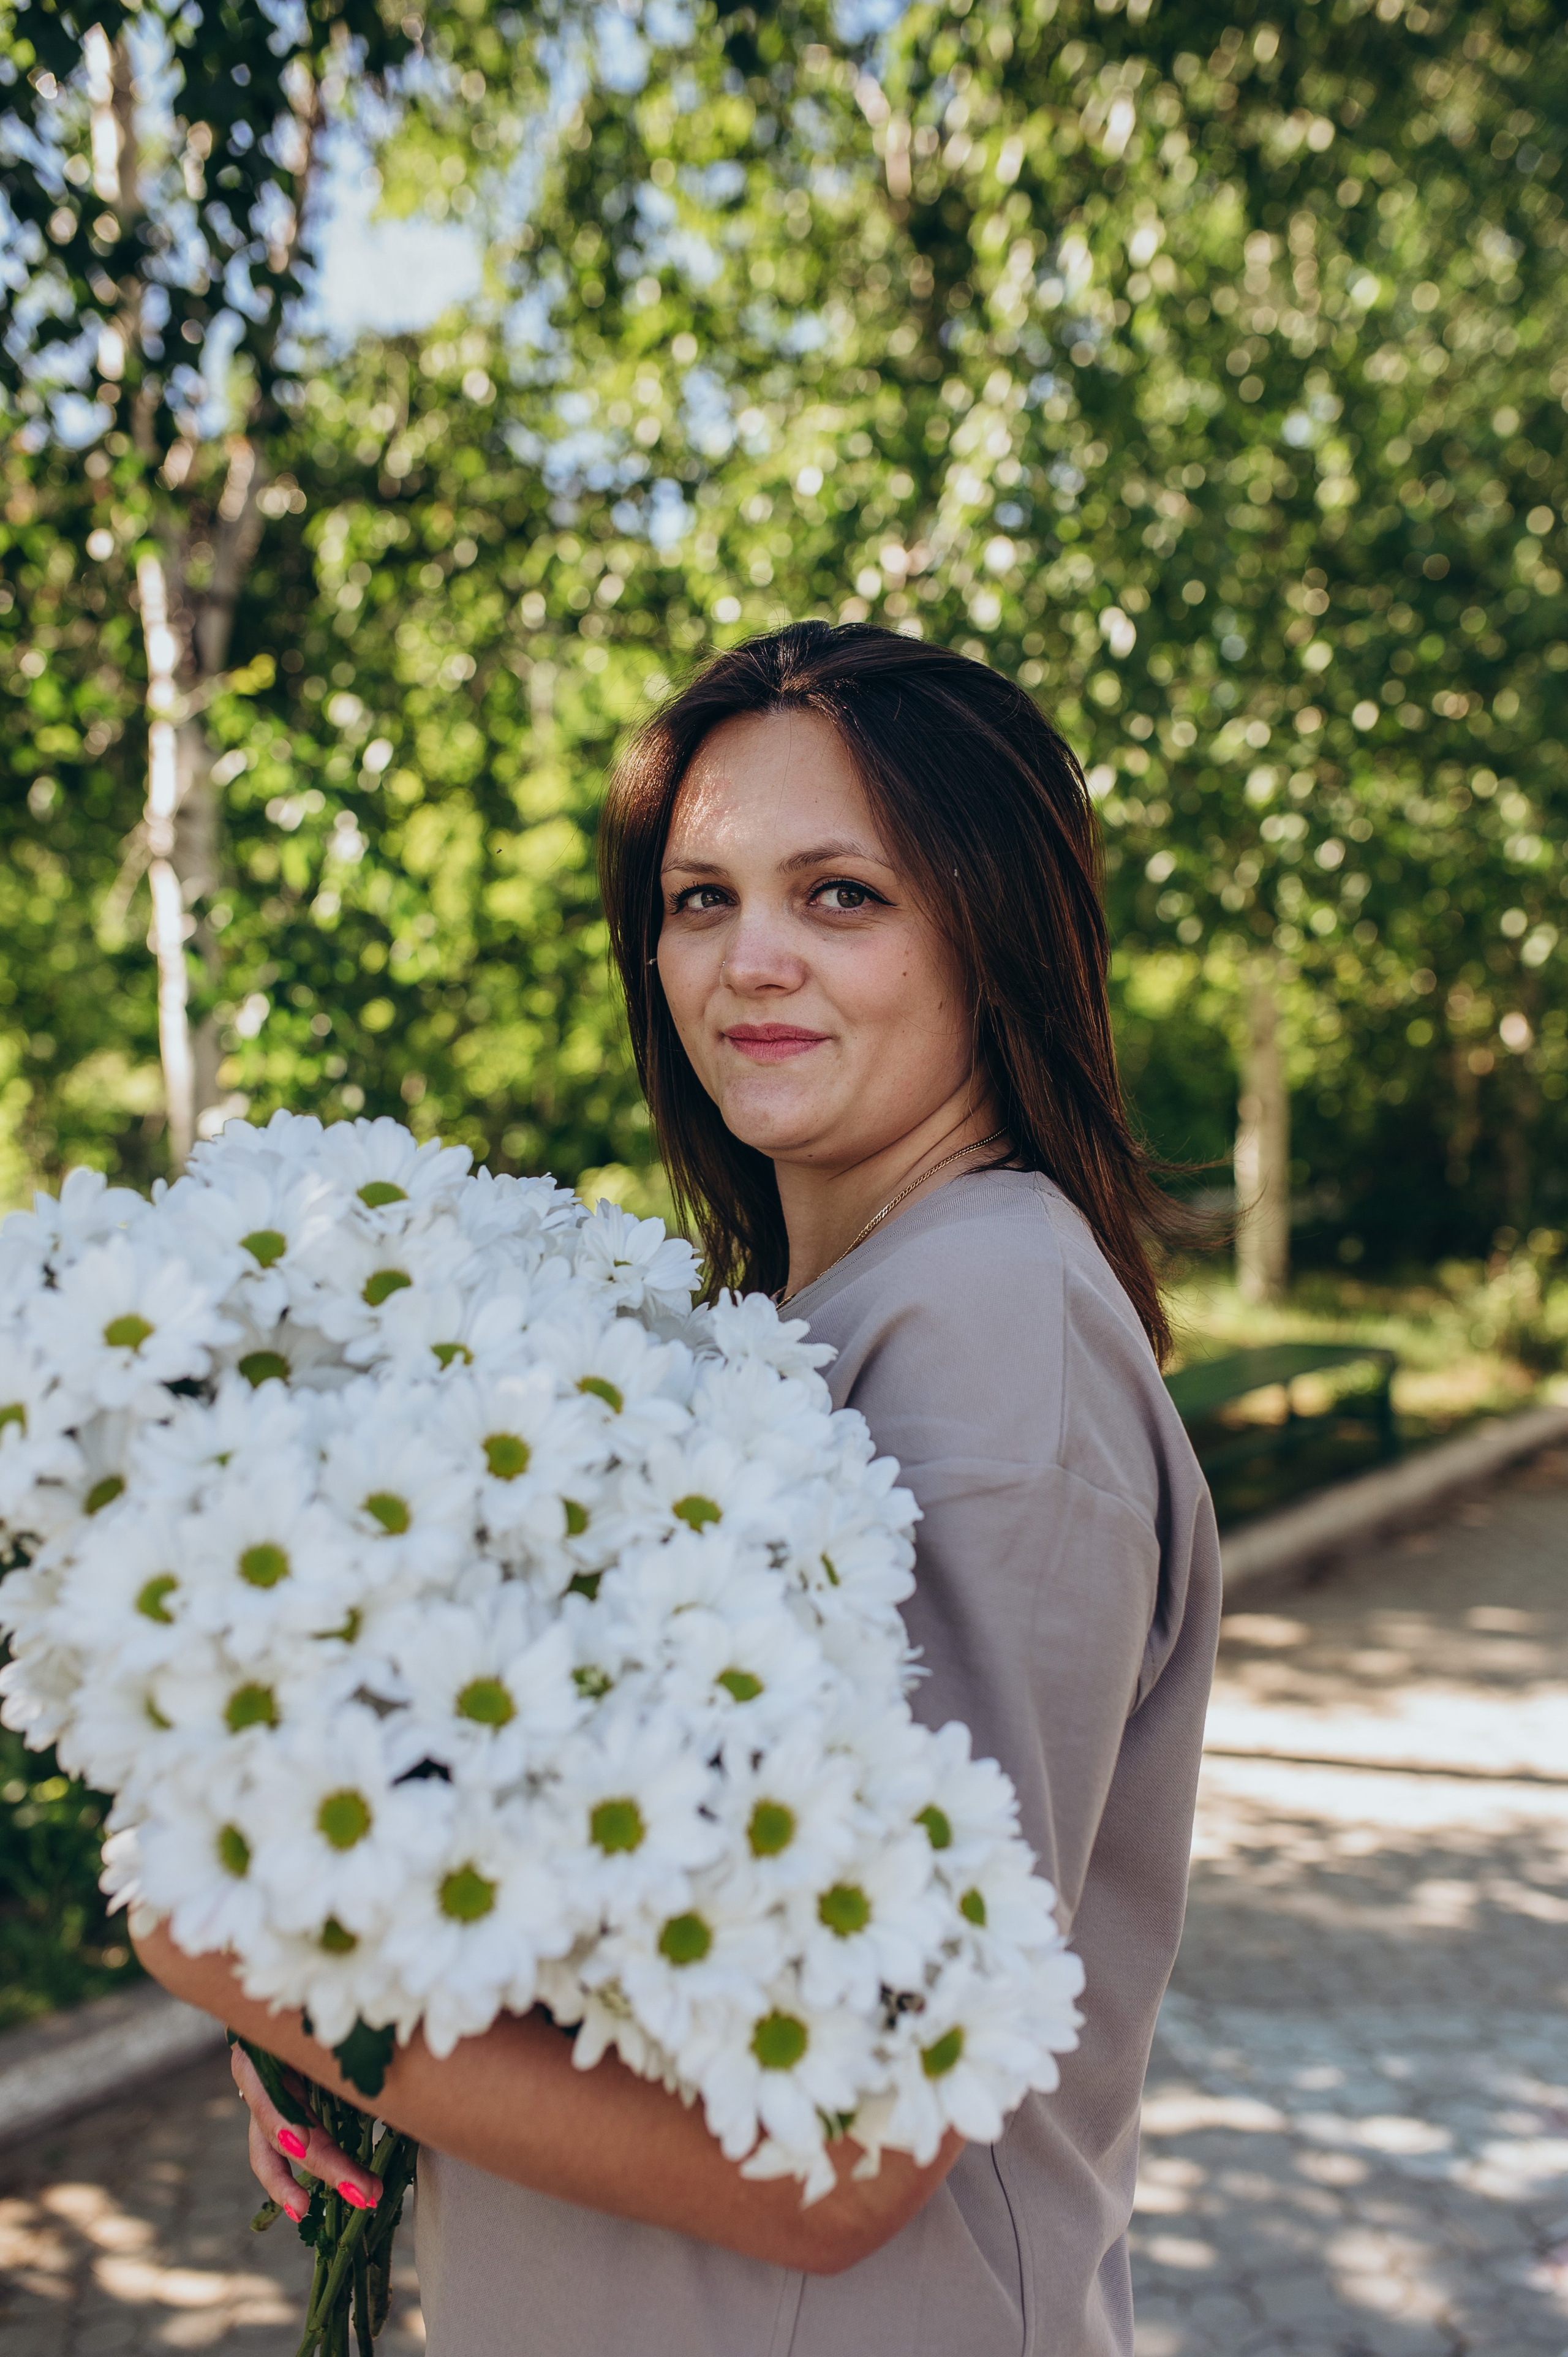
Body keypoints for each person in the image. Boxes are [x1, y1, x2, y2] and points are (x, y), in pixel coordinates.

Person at [135, 620, 1221, 2356]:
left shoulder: (993, 1320)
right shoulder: (809, 1325)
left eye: (841, 895)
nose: (748, 961)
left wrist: (258, 1960)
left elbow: (861, 2143)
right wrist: (386, 2035)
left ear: (990, 934)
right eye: (701, 898)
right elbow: (669, 1947)